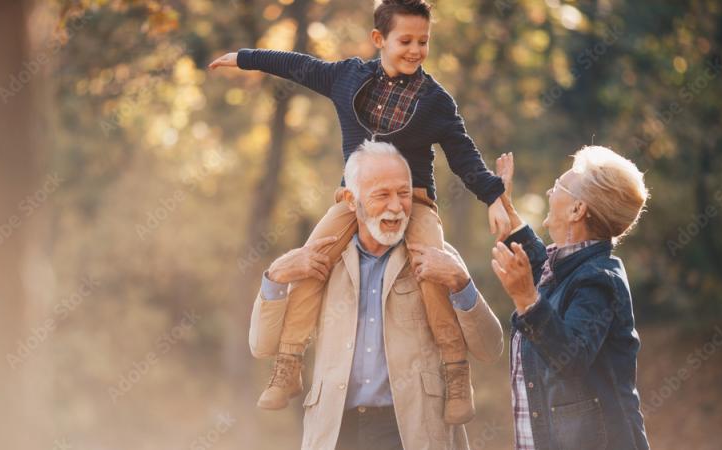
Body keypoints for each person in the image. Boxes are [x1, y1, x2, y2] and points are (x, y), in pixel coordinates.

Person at [210, 0, 510, 423]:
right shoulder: (347, 77)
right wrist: (245, 58)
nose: (415, 50)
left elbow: (464, 156)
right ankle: (289, 365)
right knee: (313, 261)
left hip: (415, 200)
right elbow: (297, 64)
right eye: (405, 40)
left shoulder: (436, 102)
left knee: (429, 270)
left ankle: (456, 373)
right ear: (379, 39)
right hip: (354, 198)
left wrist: (494, 196)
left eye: (423, 41)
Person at [248, 142, 504, 449]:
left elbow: (491, 349)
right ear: (350, 200)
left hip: (411, 433)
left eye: (404, 193)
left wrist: (462, 283)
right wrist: (276, 276)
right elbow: (261, 345)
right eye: (382, 195)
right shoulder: (322, 262)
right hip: (335, 433)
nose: (396, 206)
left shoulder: (437, 257)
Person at [490, 147, 651, 449]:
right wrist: (506, 207)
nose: (550, 190)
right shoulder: (566, 269)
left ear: (577, 210)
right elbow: (540, 263)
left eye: (558, 185)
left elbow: (571, 357)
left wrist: (526, 298)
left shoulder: (599, 280)